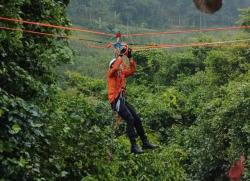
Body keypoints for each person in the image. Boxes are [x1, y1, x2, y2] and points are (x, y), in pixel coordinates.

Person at [107, 47, 157, 154]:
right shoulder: (111, 73)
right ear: (112, 65)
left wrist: (129, 57)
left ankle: (145, 142)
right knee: (129, 119)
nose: (121, 65)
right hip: (115, 101)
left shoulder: (122, 74)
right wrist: (120, 56)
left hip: (122, 100)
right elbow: (115, 68)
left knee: (136, 119)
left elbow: (132, 70)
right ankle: (133, 145)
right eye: (118, 64)